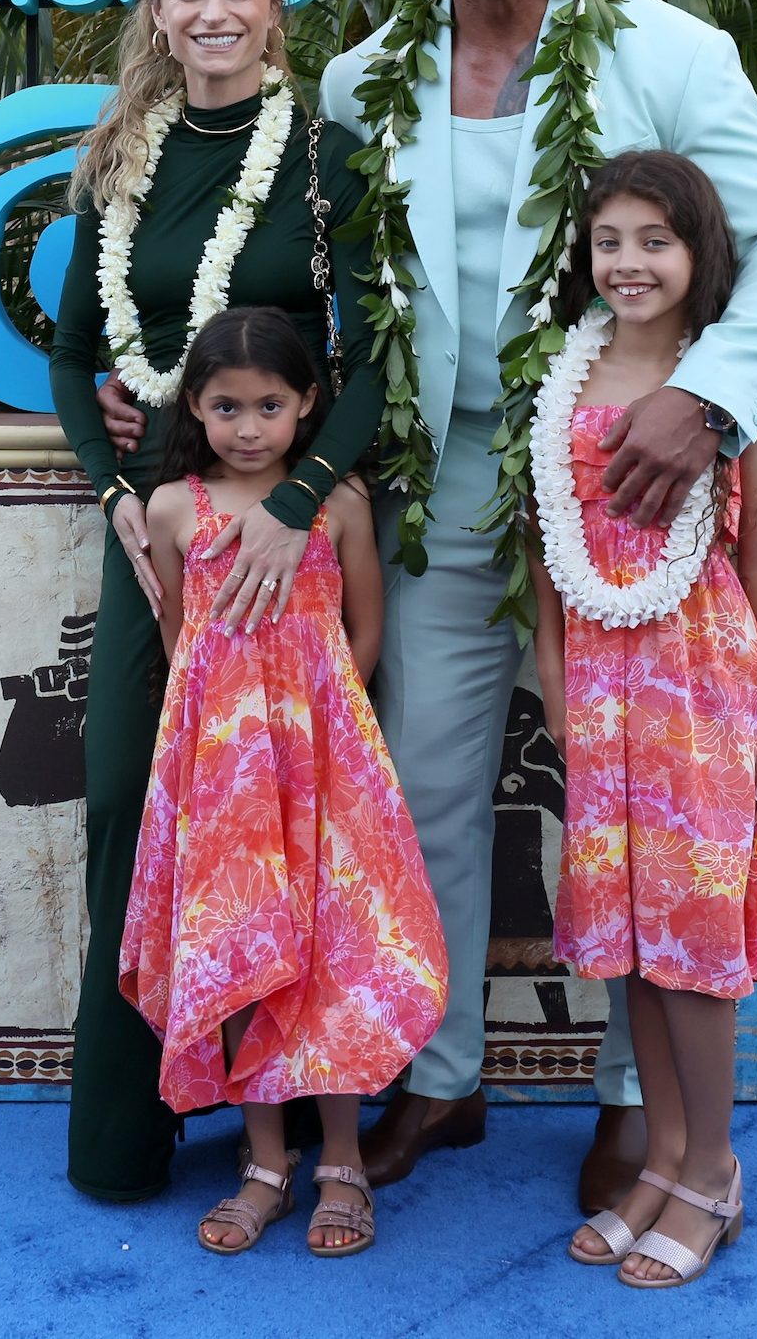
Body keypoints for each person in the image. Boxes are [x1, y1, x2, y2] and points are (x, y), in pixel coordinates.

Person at [98, 0, 757, 1206]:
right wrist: (156, 387)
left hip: (627, 483)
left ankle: (639, 1102)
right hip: (433, 495)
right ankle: (440, 1080)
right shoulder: (372, 73)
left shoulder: (668, 53)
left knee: (632, 802)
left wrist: (712, 400)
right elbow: (291, 279)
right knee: (423, 790)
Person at [50, 0, 385, 1203]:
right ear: (155, 5)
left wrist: (301, 498)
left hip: (286, 540)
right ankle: (130, 1128)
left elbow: (380, 358)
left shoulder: (321, 155)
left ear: (272, 5)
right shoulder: (118, 157)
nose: (214, 12)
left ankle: (306, 1132)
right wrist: (112, 491)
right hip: (164, 535)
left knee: (298, 836)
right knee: (134, 806)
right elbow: (78, 356)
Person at [120, 307, 446, 1256]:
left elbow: (365, 630)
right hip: (223, 771)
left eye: (271, 404)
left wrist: (331, 728)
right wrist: (214, 748)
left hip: (325, 759)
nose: (250, 426)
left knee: (331, 944)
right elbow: (185, 639)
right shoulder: (177, 507)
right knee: (239, 941)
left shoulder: (338, 502)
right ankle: (266, 1163)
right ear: (195, 404)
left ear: (308, 403)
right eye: (227, 406)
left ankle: (340, 1157)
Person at [529, 152, 757, 1288]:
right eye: (608, 241)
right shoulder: (560, 378)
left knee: (689, 937)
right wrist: (551, 676)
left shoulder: (729, 386)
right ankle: (665, 1155)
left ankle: (714, 1170)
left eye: (654, 241)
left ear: (698, 254)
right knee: (630, 936)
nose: (627, 262)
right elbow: (545, 554)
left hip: (698, 682)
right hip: (597, 683)